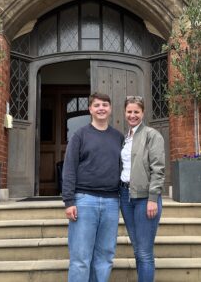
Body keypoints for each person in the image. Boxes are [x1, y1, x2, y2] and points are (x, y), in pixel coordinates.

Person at [62, 92, 124, 282]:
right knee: (81, 257)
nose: (101, 108)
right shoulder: (80, 135)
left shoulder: (118, 137)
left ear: (110, 109)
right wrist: (69, 201)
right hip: (84, 201)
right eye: (97, 105)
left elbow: (124, 169)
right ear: (90, 109)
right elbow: (69, 168)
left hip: (112, 202)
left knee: (105, 256)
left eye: (105, 105)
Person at [119, 96, 165, 282]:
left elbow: (158, 168)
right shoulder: (126, 137)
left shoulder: (152, 135)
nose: (132, 115)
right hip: (125, 196)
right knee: (137, 249)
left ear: (143, 113)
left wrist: (153, 199)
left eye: (136, 112)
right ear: (125, 113)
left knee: (145, 252)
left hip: (145, 198)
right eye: (129, 111)